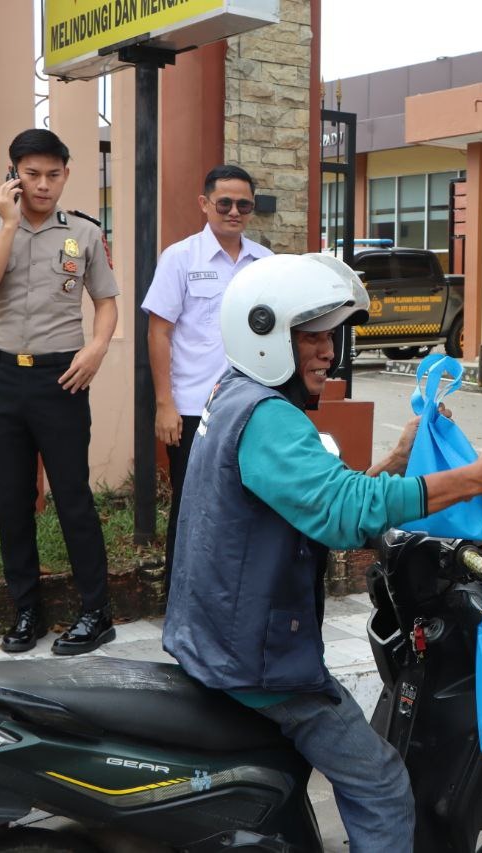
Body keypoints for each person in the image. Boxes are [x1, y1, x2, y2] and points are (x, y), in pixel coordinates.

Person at [162, 254, 482, 853]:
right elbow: (346, 512)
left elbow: (310, 502)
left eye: (330, 336)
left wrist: (395, 462)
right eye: (311, 336)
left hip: (213, 634)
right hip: (259, 662)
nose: (327, 352)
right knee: (382, 782)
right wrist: (475, 478)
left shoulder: (232, 394)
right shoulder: (268, 418)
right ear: (264, 333)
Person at [0, 129, 119, 655]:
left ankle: (96, 612)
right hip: (5, 378)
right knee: (12, 499)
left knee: (73, 498)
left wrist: (96, 348)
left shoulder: (85, 234)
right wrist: (8, 224)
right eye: (32, 174)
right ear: (14, 175)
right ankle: (26, 610)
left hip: (61, 379)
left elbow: (105, 300)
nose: (43, 184)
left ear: (66, 175)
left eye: (53, 174)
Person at [141, 164, 272, 592]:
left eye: (244, 205)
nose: (234, 212)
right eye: (225, 203)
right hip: (196, 408)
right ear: (205, 204)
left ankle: (233, 595)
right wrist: (165, 404)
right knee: (192, 506)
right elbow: (159, 332)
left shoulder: (264, 263)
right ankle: (181, 599)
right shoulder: (180, 258)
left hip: (252, 408)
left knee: (248, 502)